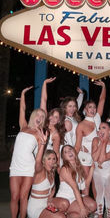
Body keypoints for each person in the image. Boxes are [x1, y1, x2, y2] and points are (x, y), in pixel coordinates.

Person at [9, 86, 46, 218]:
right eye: (38, 115)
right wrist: (23, 93)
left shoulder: (40, 134)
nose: (40, 117)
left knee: (23, 197)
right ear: (34, 116)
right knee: (14, 196)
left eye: (43, 116)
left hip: (29, 168)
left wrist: (42, 143)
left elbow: (39, 153)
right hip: (15, 166)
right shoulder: (23, 126)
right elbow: (22, 109)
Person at [51, 145, 96, 218]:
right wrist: (82, 208)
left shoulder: (78, 167)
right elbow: (75, 188)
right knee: (85, 210)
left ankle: (70, 215)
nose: (69, 152)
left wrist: (92, 169)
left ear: (74, 152)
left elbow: (85, 185)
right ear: (64, 157)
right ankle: (66, 212)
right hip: (65, 198)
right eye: (65, 152)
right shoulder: (65, 169)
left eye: (70, 149)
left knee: (93, 205)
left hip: (75, 197)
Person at [27, 129, 63, 218]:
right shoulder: (40, 171)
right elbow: (37, 161)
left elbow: (53, 189)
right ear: (44, 160)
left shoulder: (52, 172)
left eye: (54, 159)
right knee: (61, 217)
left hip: (46, 204)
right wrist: (42, 144)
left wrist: (50, 199)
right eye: (49, 159)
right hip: (36, 207)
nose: (52, 161)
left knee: (64, 204)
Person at [75, 80, 106, 177]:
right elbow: (77, 145)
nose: (93, 109)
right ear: (85, 110)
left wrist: (103, 86)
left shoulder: (97, 118)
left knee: (95, 185)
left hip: (98, 155)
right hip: (85, 157)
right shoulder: (81, 125)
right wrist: (72, 161)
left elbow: (102, 100)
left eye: (94, 107)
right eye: (90, 107)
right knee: (85, 186)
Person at [92, 121, 110, 217]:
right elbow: (95, 158)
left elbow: (102, 159)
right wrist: (101, 142)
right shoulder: (96, 140)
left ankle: (109, 215)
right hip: (98, 172)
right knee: (99, 194)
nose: (100, 130)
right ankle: (99, 216)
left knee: (108, 195)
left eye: (103, 128)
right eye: (99, 128)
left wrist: (104, 141)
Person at [40, 77, 65, 166]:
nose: (53, 119)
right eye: (52, 115)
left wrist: (56, 168)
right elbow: (43, 100)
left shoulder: (56, 134)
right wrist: (44, 84)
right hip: (35, 156)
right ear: (49, 115)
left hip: (46, 161)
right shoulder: (43, 123)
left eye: (56, 117)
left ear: (59, 121)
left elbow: (56, 153)